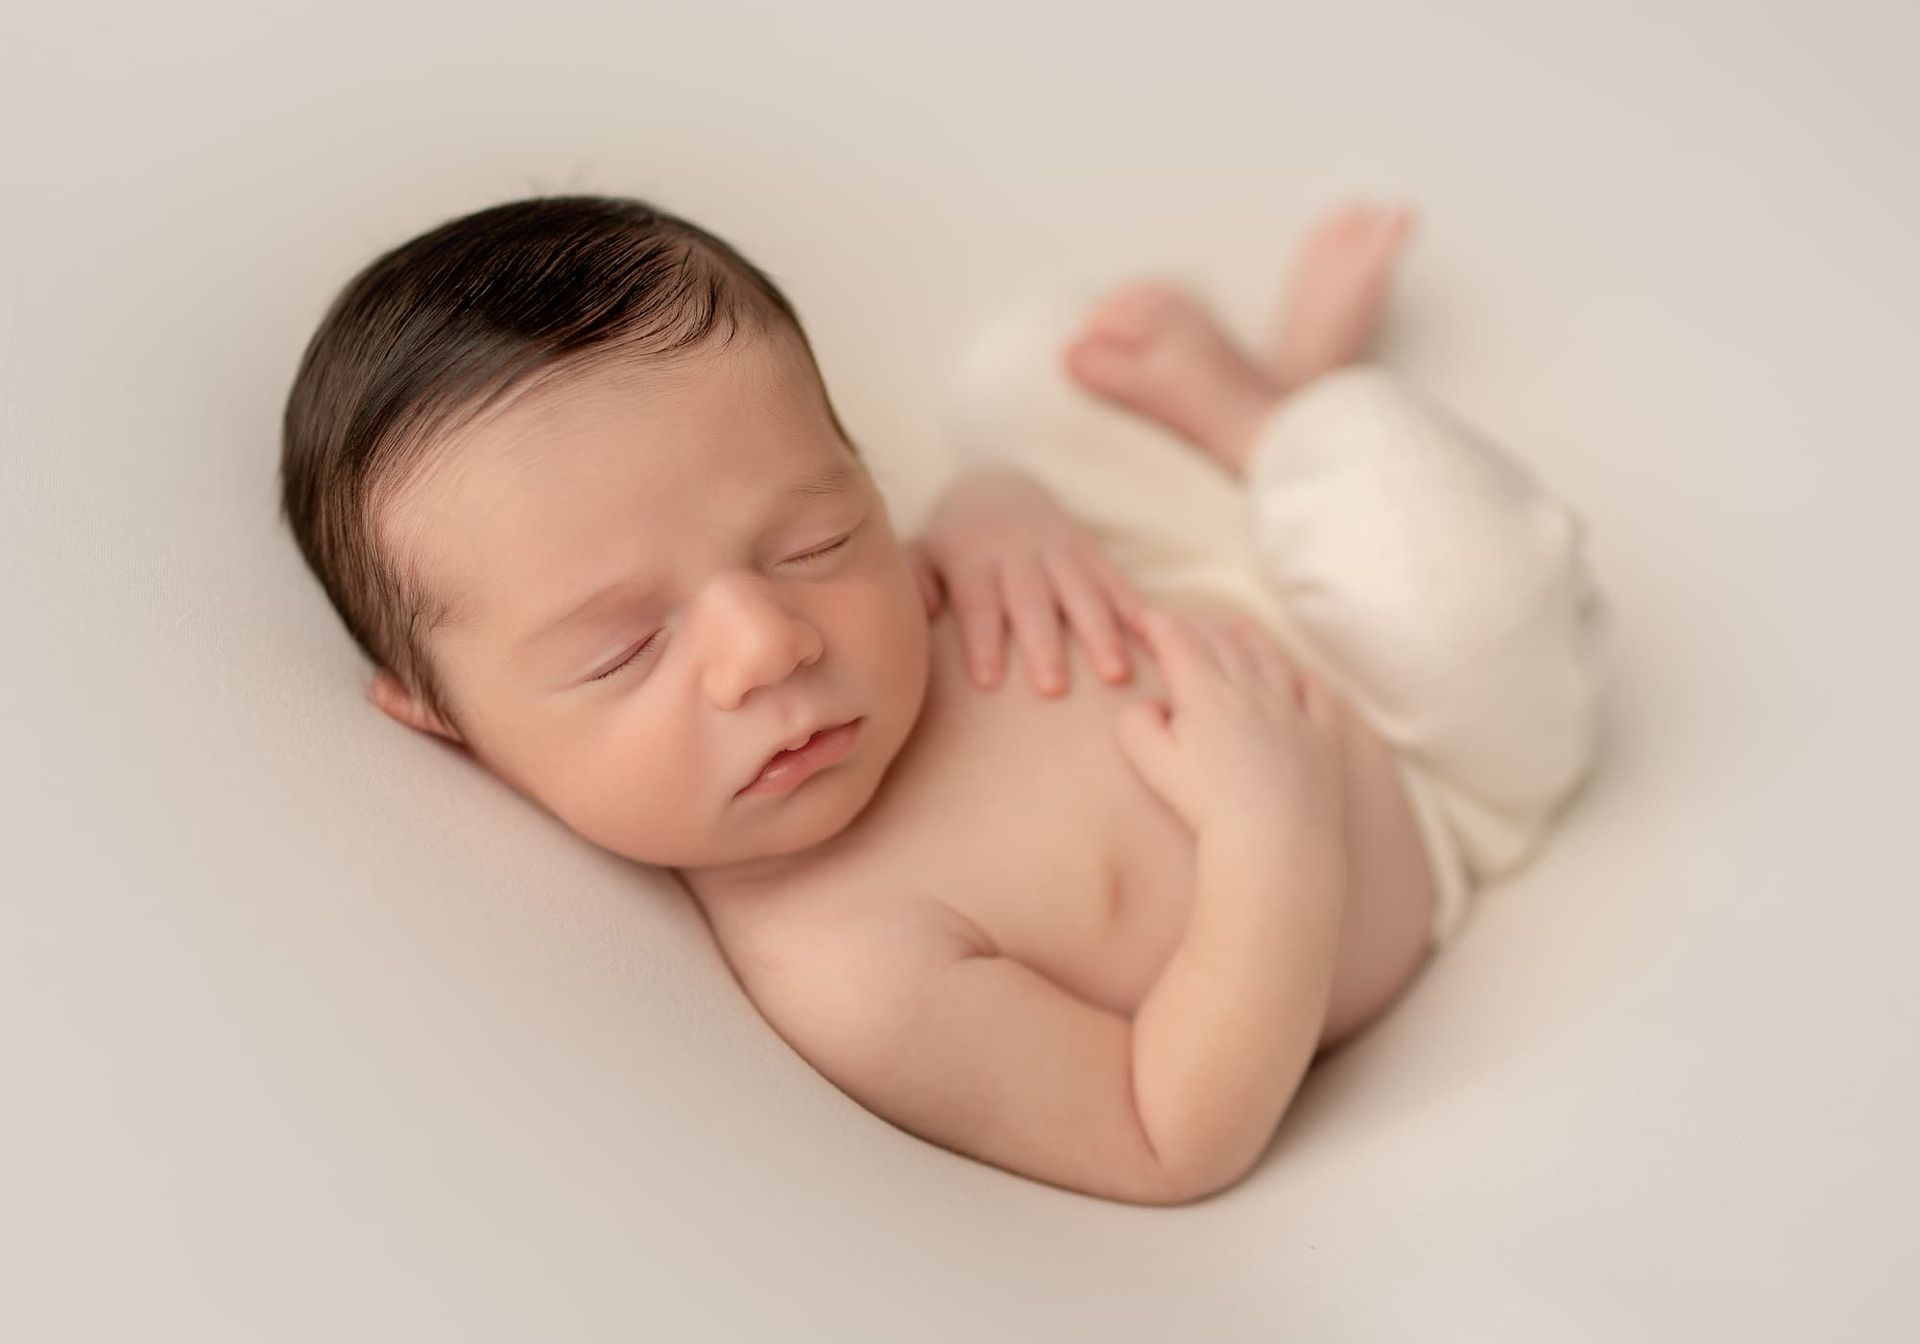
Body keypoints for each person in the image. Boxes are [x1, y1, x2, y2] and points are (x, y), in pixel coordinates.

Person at [279, 196, 1609, 1206]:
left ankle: (1264, 409)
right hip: (1409, 754)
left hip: (1182, 570)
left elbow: (964, 523)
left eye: (813, 538)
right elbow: (1170, 1132)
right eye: (627, 649)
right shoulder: (858, 964)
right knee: (1447, 577)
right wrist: (1276, 830)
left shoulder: (861, 617)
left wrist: (994, 513)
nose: (768, 644)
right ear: (443, 719)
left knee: (1022, 378)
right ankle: (1281, 422)